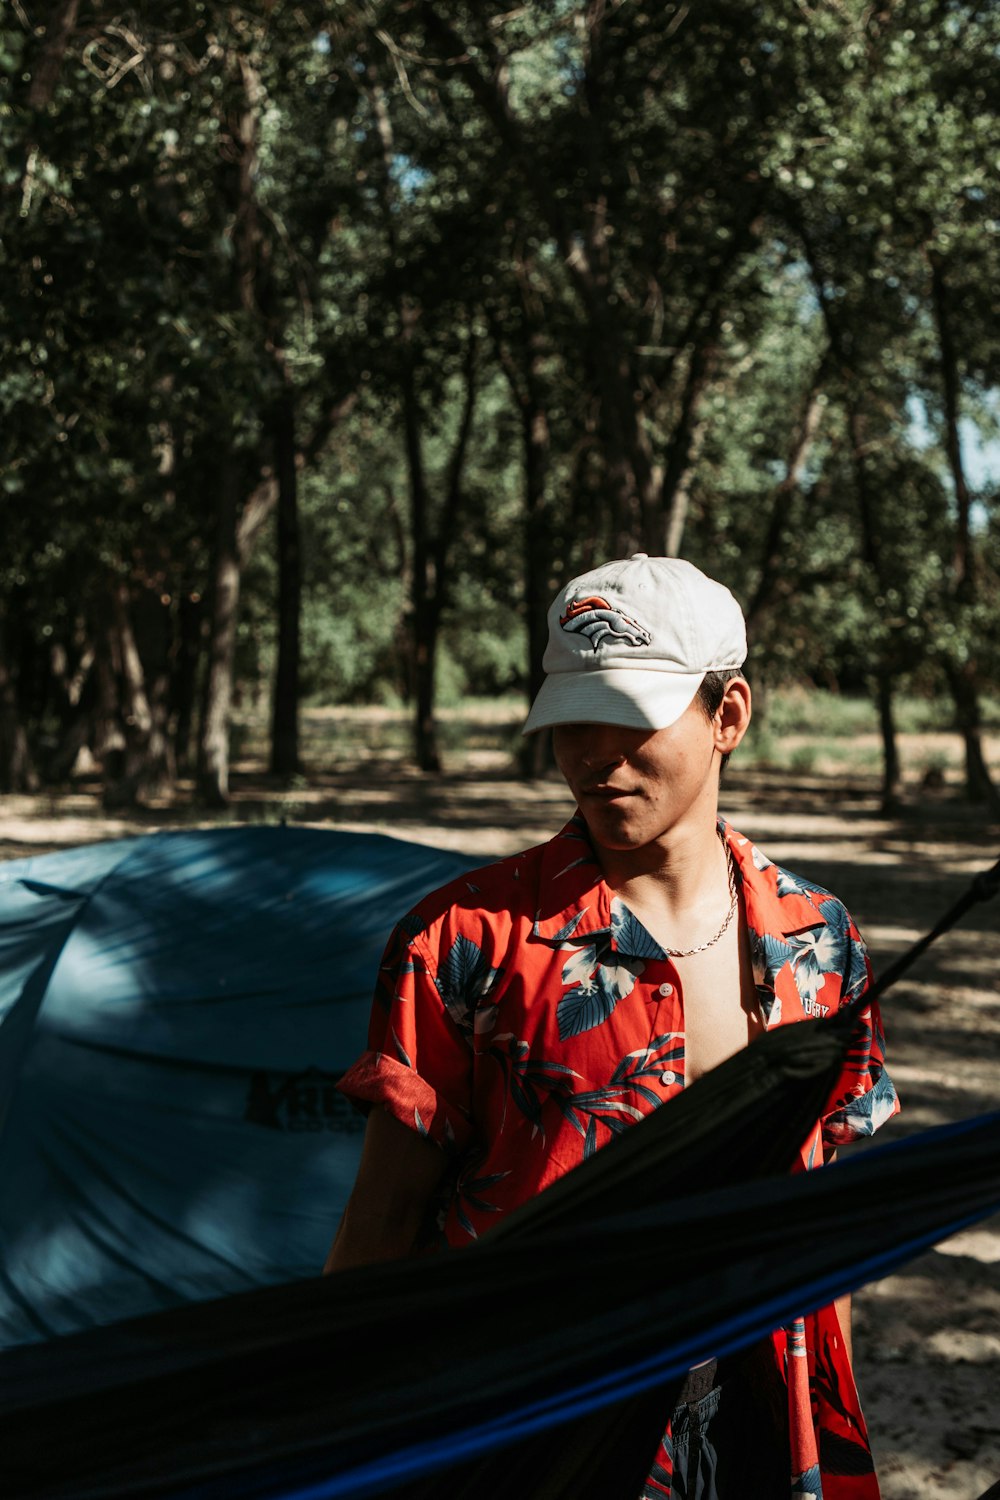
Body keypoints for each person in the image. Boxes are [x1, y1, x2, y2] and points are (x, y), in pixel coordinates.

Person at [327, 554, 899, 1499]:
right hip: (524, 1428)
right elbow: (383, 1220)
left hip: (751, 1422)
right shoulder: (464, 940)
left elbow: (829, 1215)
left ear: (729, 716)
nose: (595, 754)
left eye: (630, 718)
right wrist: (335, 1430)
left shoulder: (817, 942)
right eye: (570, 722)